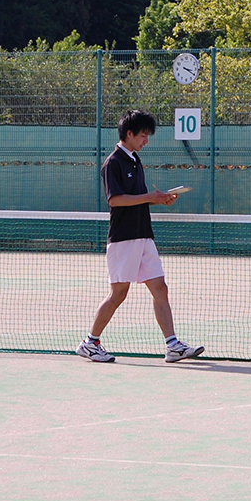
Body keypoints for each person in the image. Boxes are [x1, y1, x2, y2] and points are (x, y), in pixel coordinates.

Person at [76, 110, 205, 364]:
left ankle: (172, 345)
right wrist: (150, 197)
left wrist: (160, 200)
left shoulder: (135, 160)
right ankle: (90, 343)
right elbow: (115, 200)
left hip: (144, 235)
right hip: (124, 239)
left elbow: (138, 200)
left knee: (160, 288)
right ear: (129, 134)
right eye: (143, 136)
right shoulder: (113, 162)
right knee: (118, 294)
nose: (146, 140)